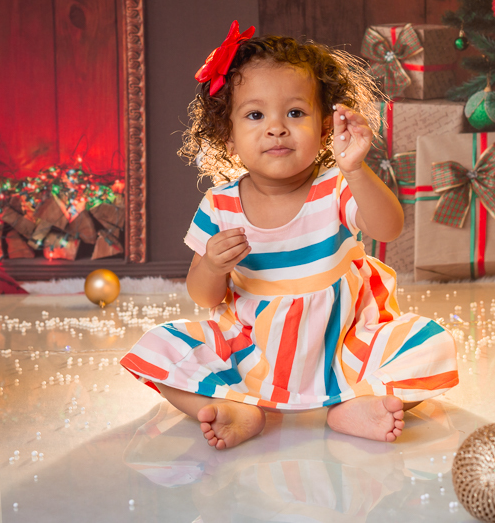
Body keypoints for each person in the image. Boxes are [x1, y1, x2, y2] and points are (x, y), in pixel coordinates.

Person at [122, 23, 458, 449]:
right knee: (159, 349)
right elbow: (204, 297)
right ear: (228, 134)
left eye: (295, 113)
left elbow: (388, 227)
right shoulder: (220, 206)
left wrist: (356, 168)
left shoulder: (336, 186)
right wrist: (211, 265)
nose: (276, 128)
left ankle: (354, 404)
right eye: (255, 115)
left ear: (323, 128)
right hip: (253, 350)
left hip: (343, 346)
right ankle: (239, 407)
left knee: (432, 344)